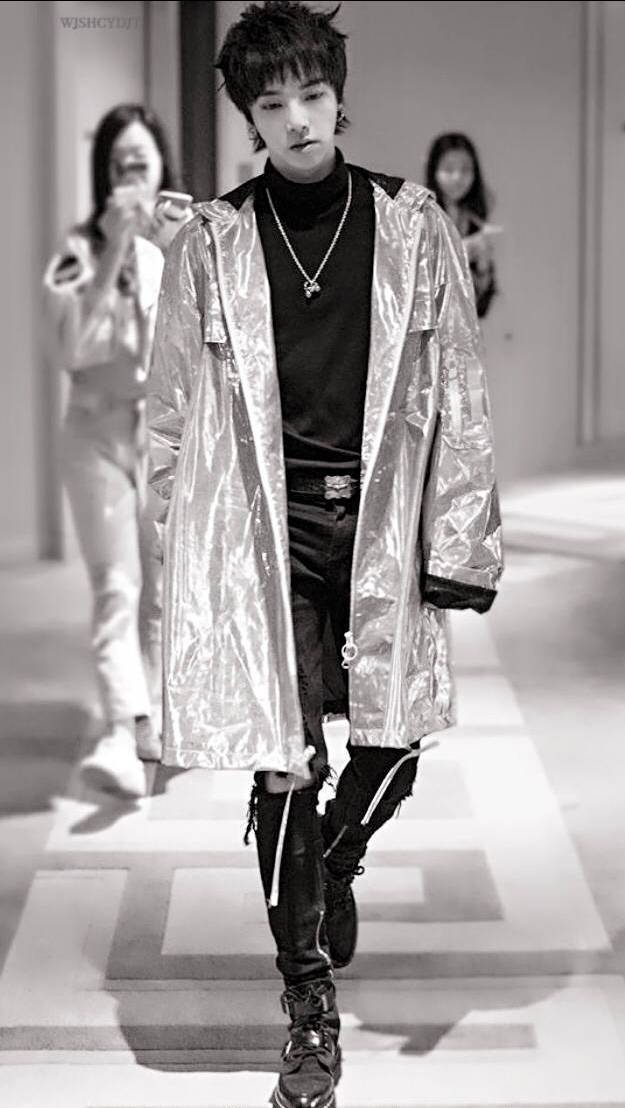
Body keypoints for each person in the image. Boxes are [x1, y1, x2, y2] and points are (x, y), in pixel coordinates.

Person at [148, 4, 503, 1105]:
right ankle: (307, 1005)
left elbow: (459, 387)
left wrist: (459, 538)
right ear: (250, 118)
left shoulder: (409, 224)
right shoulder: (213, 240)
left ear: (337, 97)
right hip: (263, 535)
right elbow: (168, 414)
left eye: (311, 95)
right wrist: (179, 560)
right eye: (272, 103)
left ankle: (334, 860)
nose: (296, 118)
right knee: (284, 763)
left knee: (395, 742)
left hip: (380, 523)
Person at [44, 104, 191, 800]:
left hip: (156, 432)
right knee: (117, 585)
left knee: (160, 586)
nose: (131, 172)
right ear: (104, 175)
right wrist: (110, 252)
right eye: (118, 163)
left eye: (141, 160)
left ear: (160, 167)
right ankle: (122, 728)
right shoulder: (76, 249)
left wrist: (181, 248)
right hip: (94, 432)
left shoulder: (177, 245)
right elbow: (70, 349)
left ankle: (151, 717)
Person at [425, 131, 500, 318]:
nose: (457, 177)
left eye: (466, 170)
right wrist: (463, 251)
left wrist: (483, 266)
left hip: (466, 326)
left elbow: (480, 306)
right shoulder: (422, 216)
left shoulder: (475, 221)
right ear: (433, 171)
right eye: (448, 169)